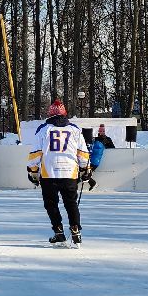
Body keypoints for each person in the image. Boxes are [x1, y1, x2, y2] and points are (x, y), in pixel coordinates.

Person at [27, 100, 90, 245]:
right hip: (69, 172)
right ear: (64, 113)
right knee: (71, 203)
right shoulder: (74, 129)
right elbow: (83, 153)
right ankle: (75, 230)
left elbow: (35, 154)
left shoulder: (43, 129)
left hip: (49, 173)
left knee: (51, 204)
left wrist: (33, 171)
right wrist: (85, 169)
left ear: (50, 113)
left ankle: (58, 231)